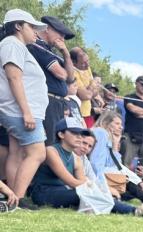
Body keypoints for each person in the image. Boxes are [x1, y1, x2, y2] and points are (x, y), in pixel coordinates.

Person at [0, 10, 49, 209]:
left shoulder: (15, 46)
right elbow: (14, 77)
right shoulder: (12, 44)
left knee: (17, 152)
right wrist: (26, 111)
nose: (36, 33)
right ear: (18, 26)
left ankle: (12, 197)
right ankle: (17, 199)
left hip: (17, 110)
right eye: (32, 27)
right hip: (21, 111)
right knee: (38, 153)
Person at [25, 14, 74, 145]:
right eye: (60, 34)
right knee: (48, 145)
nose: (62, 39)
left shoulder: (52, 51)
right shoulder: (38, 46)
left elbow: (70, 77)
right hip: (47, 101)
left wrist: (66, 53)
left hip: (57, 104)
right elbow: (62, 75)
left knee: (55, 145)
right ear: (47, 29)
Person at [77, 130, 143, 217]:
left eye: (89, 146)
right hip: (75, 189)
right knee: (103, 197)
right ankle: (137, 209)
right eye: (84, 143)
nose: (86, 147)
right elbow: (93, 173)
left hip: (101, 184)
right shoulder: (81, 156)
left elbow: (117, 166)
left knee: (138, 186)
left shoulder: (84, 159)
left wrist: (137, 178)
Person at [69, 47, 101, 127]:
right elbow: (85, 96)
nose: (87, 65)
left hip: (88, 113)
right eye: (83, 63)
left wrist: (89, 91)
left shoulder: (87, 69)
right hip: (76, 113)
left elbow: (95, 92)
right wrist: (92, 85)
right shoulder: (73, 72)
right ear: (74, 63)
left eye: (88, 61)